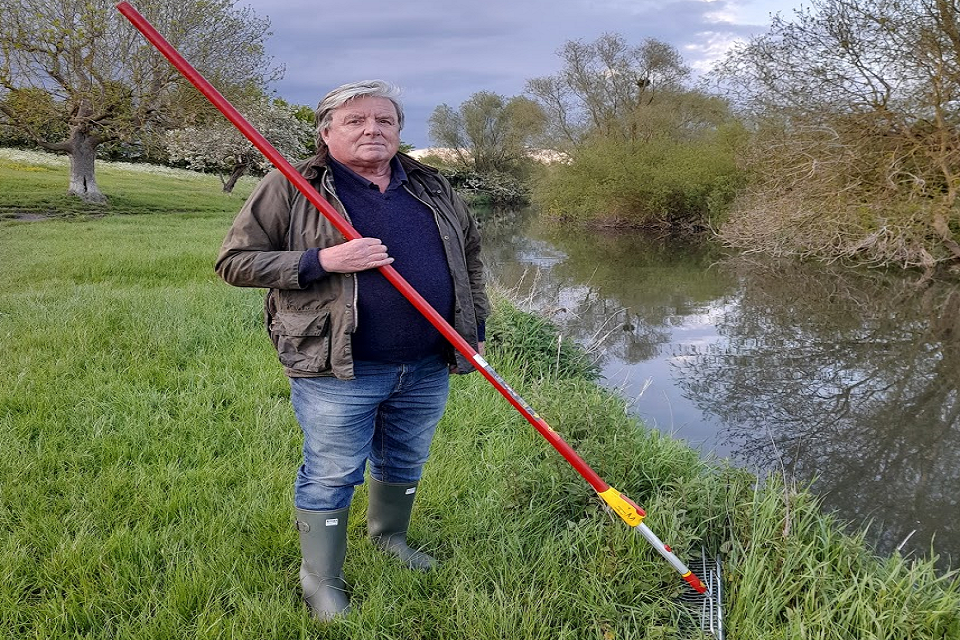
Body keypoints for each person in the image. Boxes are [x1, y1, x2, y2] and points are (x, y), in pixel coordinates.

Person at [215, 80, 489, 621]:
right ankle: (320, 578)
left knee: (406, 458)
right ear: (326, 132)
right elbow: (235, 262)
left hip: (429, 363)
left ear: (399, 130)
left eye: (384, 120)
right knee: (334, 470)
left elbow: (471, 256)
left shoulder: (431, 187)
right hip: (337, 365)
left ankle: (390, 538)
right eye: (355, 120)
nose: (372, 130)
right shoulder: (291, 186)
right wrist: (324, 262)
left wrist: (474, 328)